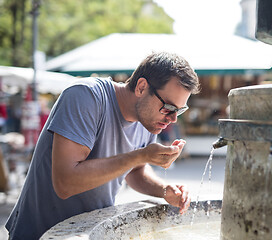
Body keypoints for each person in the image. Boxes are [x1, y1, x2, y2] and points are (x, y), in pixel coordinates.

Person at [6, 52, 200, 240]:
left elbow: (135, 172)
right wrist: (140, 156)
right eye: (169, 107)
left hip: (88, 232)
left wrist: (165, 189)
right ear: (141, 87)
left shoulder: (148, 121)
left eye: (180, 110)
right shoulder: (86, 96)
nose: (173, 119)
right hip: (40, 233)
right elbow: (65, 183)